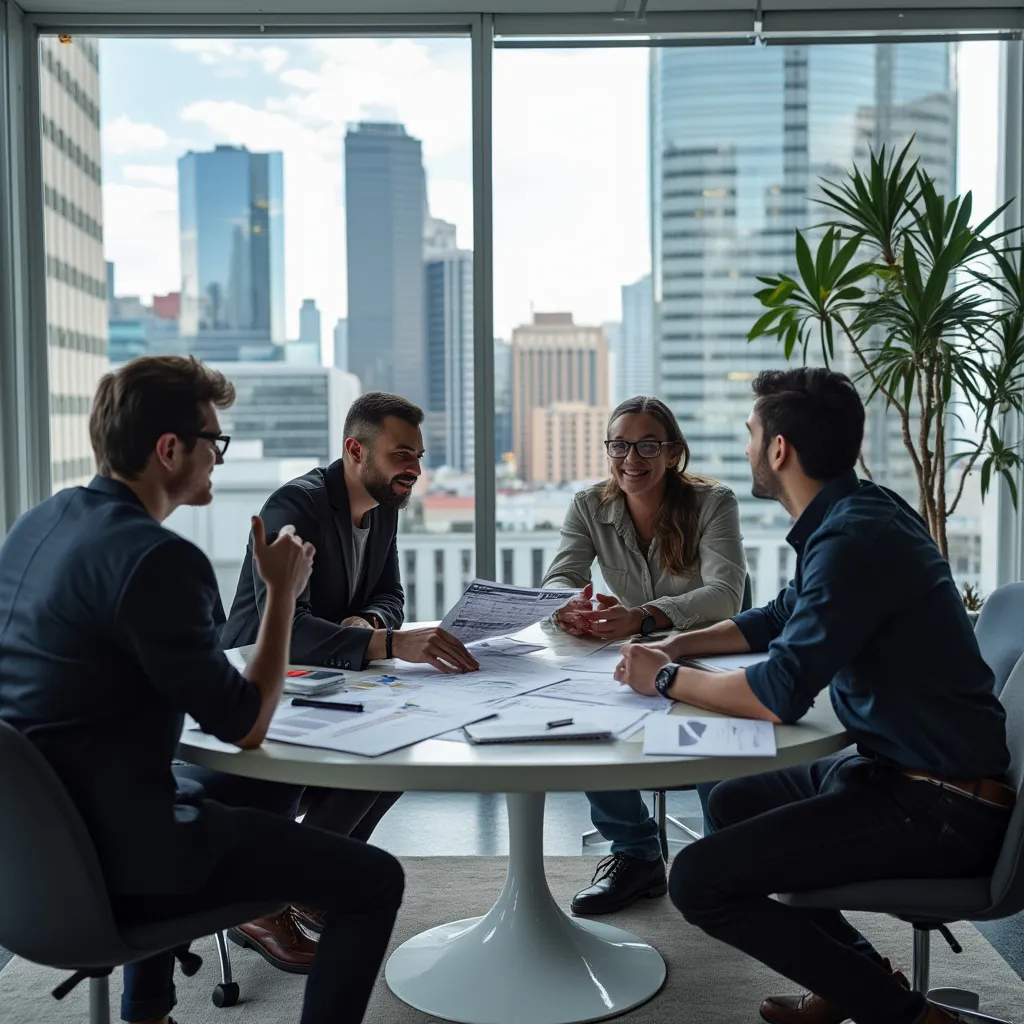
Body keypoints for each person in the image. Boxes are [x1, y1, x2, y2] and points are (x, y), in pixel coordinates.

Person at [0, 356, 404, 1024]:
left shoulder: (38, 523)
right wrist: (281, 594)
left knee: (266, 787)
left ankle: (149, 1012)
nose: (219, 458)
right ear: (169, 450)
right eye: (214, 442)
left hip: (32, 853)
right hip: (121, 860)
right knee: (374, 880)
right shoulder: (159, 559)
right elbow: (244, 723)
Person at [615, 367, 1012, 1024]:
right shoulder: (856, 513)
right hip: (897, 767)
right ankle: (855, 979)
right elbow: (775, 617)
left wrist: (659, 679)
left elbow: (777, 696)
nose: (746, 448)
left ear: (778, 450)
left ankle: (910, 1019)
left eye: (750, 435)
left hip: (941, 804)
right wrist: (675, 647)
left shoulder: (855, 539)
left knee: (697, 881)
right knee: (735, 796)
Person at [216, 391, 478, 966]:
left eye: (419, 455)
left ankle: (310, 884)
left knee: (396, 752)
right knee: (365, 765)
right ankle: (262, 903)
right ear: (356, 450)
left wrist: (372, 621)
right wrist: (384, 642)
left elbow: (393, 596)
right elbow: (282, 626)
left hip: (328, 676)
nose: (413, 468)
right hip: (258, 679)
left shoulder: (384, 506)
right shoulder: (298, 507)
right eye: (400, 454)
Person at [541, 396, 746, 915]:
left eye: (648, 444)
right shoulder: (590, 505)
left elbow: (726, 596)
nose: (631, 457)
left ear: (673, 450)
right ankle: (634, 853)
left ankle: (723, 864)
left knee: (711, 733)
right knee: (582, 723)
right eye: (620, 444)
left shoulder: (712, 502)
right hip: (630, 653)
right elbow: (562, 576)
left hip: (706, 651)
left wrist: (645, 615)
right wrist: (569, 605)